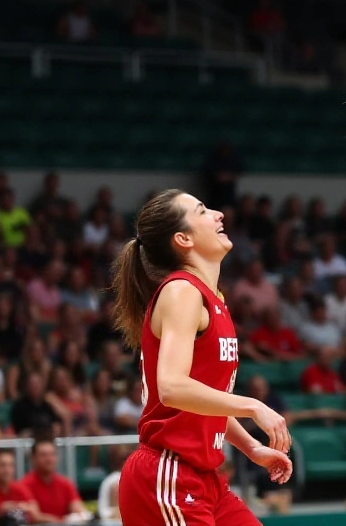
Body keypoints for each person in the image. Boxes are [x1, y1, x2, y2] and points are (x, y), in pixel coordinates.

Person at [112, 190, 293, 526]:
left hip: (205, 478)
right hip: (168, 476)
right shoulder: (181, 292)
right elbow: (172, 387)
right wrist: (254, 406)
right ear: (183, 239)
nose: (218, 214)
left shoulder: (212, 298)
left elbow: (203, 398)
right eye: (203, 211)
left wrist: (251, 448)